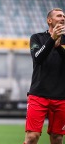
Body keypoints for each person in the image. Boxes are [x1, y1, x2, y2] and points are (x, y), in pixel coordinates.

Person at [24, 8, 65, 144]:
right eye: (59, 16)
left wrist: (58, 47)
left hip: (61, 97)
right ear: (49, 20)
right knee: (32, 137)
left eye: (64, 16)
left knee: (57, 138)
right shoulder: (37, 38)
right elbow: (37, 58)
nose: (63, 18)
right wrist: (52, 40)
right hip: (38, 95)